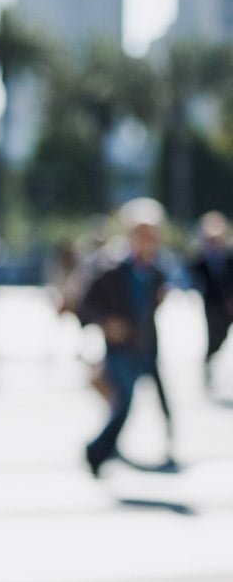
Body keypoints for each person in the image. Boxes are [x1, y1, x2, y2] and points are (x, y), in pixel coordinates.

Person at [79, 198, 176, 477]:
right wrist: (108, 323)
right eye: (144, 233)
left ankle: (165, 442)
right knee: (123, 402)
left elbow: (153, 302)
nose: (150, 240)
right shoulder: (111, 266)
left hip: (146, 345)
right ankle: (96, 451)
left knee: (156, 396)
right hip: (120, 346)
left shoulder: (157, 270)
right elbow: (86, 302)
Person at [188, 211, 233, 390]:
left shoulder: (229, 257)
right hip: (214, 307)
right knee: (215, 339)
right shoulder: (200, 260)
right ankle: (207, 366)